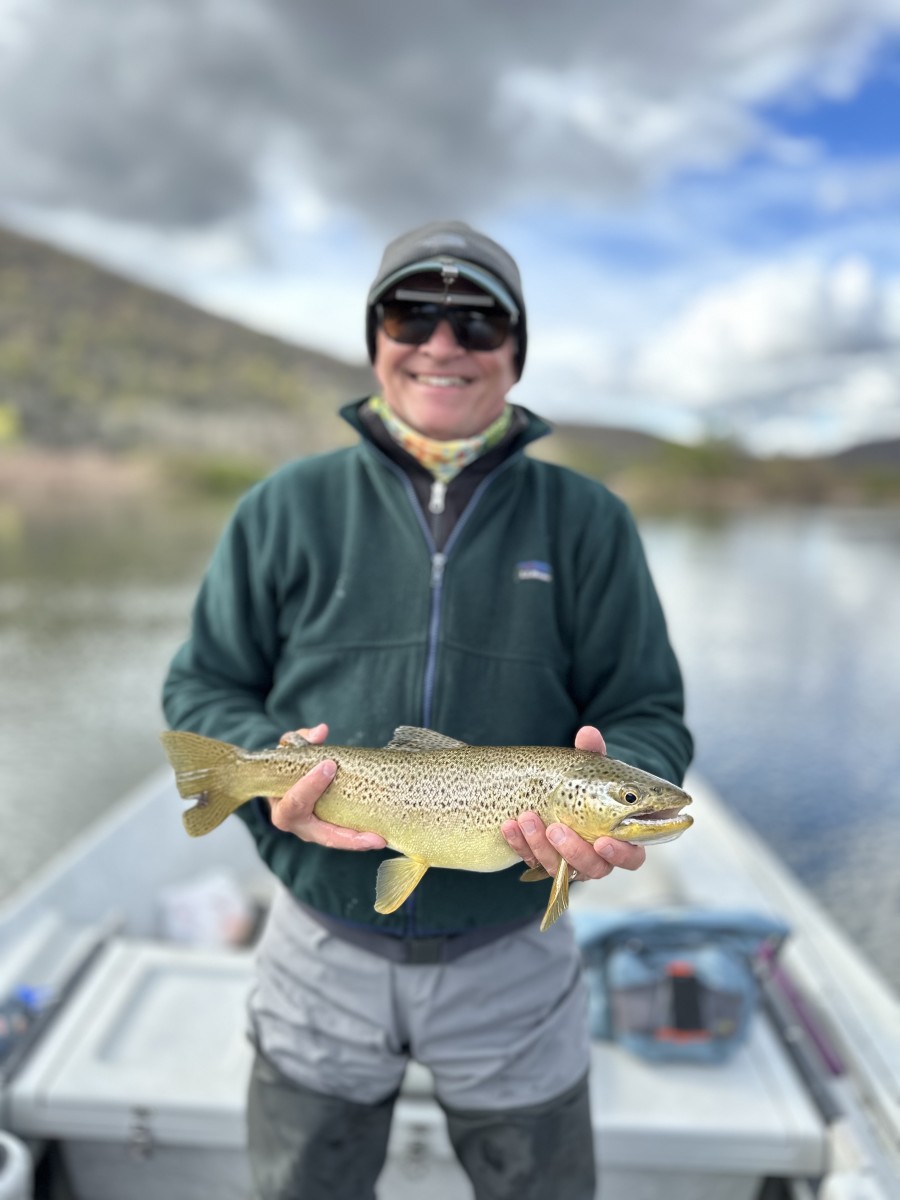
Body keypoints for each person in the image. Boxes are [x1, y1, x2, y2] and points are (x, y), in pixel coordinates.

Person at [162, 219, 693, 1200]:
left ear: (515, 353)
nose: (443, 343)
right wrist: (253, 768)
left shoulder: (589, 521)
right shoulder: (283, 507)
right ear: (376, 338)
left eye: (479, 321)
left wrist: (619, 758)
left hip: (516, 954)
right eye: (415, 313)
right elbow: (202, 687)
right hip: (318, 942)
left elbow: (649, 708)